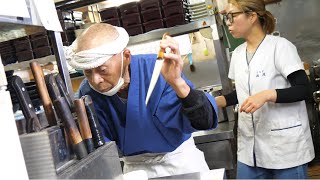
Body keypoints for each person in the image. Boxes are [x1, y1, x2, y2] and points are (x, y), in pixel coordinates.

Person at [64, 23, 218, 178]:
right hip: (135, 170)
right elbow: (96, 150)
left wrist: (178, 83)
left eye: (102, 70)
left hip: (180, 165)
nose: (95, 80)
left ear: (126, 57)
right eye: (88, 72)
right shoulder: (88, 93)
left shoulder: (158, 70)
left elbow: (204, 121)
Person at [215, 0, 315, 178]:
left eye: (232, 16)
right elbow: (243, 93)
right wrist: (215, 102)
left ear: (252, 16)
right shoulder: (238, 54)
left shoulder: (280, 47)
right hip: (250, 149)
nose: (228, 22)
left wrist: (268, 95)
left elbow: (303, 89)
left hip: (285, 148)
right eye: (226, 18)